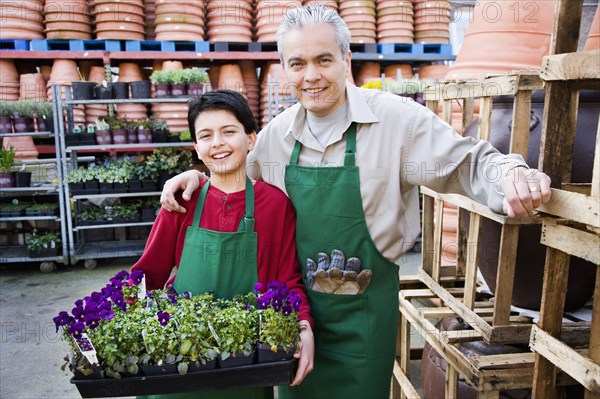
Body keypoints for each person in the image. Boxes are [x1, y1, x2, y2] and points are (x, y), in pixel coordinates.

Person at [160, 5, 552, 399]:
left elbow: (466, 163)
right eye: (297, 63)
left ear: (346, 59)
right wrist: (196, 178)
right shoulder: (276, 138)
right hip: (293, 319)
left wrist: (510, 175)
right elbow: (236, 190)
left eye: (323, 59)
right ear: (284, 68)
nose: (310, 75)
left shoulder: (397, 122)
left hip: (363, 320)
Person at [131, 90, 314, 399]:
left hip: (245, 364)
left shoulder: (276, 205)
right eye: (205, 135)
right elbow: (148, 274)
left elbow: (287, 280)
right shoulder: (182, 201)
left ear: (251, 138)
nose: (217, 143)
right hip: (176, 364)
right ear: (196, 148)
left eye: (229, 131)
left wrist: (304, 327)